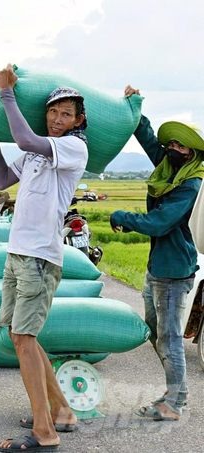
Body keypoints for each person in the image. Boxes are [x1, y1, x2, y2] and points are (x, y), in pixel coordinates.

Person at [0, 64, 88, 453]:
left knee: (24, 339)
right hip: (18, 251)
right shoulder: (33, 154)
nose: (58, 119)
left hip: (39, 257)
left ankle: (45, 431)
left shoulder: (72, 147)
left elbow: (28, 139)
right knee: (20, 336)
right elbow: (0, 180)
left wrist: (7, 96)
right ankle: (61, 411)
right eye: (53, 112)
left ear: (78, 120)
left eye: (67, 113)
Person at [110, 85, 204, 422]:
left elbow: (161, 223)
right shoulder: (168, 170)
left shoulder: (190, 184)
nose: (174, 149)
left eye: (182, 146)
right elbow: (149, 138)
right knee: (156, 329)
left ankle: (175, 403)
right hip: (157, 267)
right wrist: (134, 108)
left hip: (174, 271)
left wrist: (122, 216)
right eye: (173, 144)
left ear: (192, 154)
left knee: (169, 336)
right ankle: (175, 390)